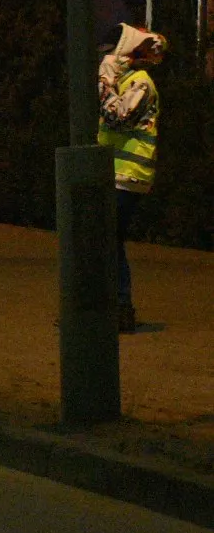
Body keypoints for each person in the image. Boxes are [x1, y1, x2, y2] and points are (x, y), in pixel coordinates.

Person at [97, 23, 167, 333]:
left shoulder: (140, 83)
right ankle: (111, 308)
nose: (105, 58)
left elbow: (117, 116)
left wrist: (105, 84)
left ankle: (120, 309)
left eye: (109, 52)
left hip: (127, 176)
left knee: (108, 239)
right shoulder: (127, 80)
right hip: (115, 174)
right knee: (108, 240)